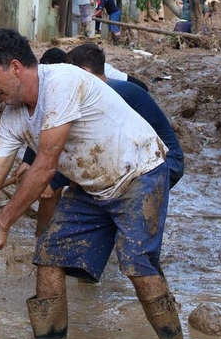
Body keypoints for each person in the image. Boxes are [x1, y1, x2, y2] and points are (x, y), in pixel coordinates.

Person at [0, 30, 184, 339]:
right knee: (49, 255)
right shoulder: (13, 117)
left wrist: (1, 225)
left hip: (140, 172)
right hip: (93, 186)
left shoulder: (61, 82)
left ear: (15, 67)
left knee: (138, 266)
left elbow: (45, 167)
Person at [25, 45, 183, 238]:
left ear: (84, 73)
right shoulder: (98, 93)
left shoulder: (106, 97)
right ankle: (44, 242)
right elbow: (55, 131)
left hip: (161, 163)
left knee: (134, 239)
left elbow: (94, 152)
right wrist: (30, 161)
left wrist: (54, 180)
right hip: (136, 159)